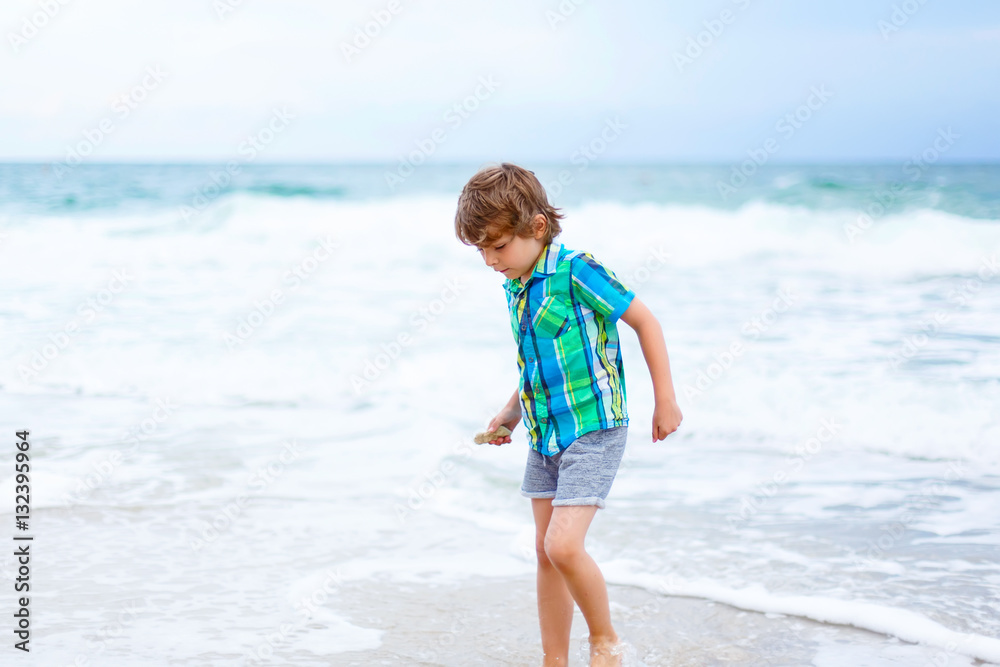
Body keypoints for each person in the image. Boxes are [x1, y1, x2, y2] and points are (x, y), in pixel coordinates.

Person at [453, 163, 683, 666]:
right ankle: (553, 659)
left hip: (595, 427)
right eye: (482, 252)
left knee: (562, 545)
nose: (491, 261)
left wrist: (665, 398)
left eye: (497, 247)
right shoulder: (517, 283)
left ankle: (604, 641)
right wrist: (510, 415)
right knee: (543, 552)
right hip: (545, 433)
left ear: (536, 227)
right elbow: (538, 364)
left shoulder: (577, 269)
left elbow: (645, 321)